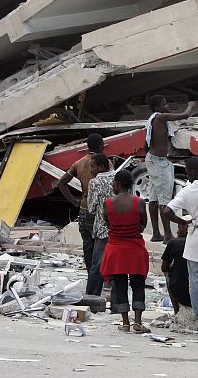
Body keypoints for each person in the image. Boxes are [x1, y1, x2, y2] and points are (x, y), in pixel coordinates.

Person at [162, 157, 198, 337]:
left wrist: (184, 223)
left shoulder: (188, 191)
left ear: (192, 172)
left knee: (196, 286)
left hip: (194, 245)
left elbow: (167, 211)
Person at [100, 170, 151, 333]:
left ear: (118, 183)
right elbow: (143, 224)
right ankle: (138, 321)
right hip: (135, 249)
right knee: (138, 284)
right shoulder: (139, 203)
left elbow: (107, 222)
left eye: (114, 182)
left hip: (116, 249)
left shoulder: (108, 203)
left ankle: (125, 323)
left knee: (120, 284)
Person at [57, 133, 104, 294]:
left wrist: (73, 201)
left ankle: (90, 277)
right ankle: (96, 281)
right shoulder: (103, 163)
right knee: (100, 247)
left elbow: (61, 183)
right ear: (99, 146)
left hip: (83, 209)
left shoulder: (78, 163)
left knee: (87, 246)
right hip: (98, 211)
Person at [144, 95, 194, 242]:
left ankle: (156, 233)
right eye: (164, 104)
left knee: (153, 198)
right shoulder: (160, 118)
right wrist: (190, 104)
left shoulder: (152, 119)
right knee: (164, 200)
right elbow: (185, 115)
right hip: (159, 163)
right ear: (157, 108)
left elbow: (145, 142)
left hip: (152, 160)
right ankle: (167, 235)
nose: (167, 106)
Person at [85, 153, 113, 296]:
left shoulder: (95, 182)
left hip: (102, 228)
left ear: (101, 167)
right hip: (117, 229)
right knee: (115, 265)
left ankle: (91, 296)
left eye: (93, 166)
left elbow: (91, 208)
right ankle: (116, 300)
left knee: (97, 265)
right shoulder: (117, 177)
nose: (91, 170)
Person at [161, 223, 191, 314]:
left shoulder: (174, 243)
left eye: (180, 228)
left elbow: (164, 268)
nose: (177, 232)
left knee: (168, 274)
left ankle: (176, 311)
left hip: (180, 292)